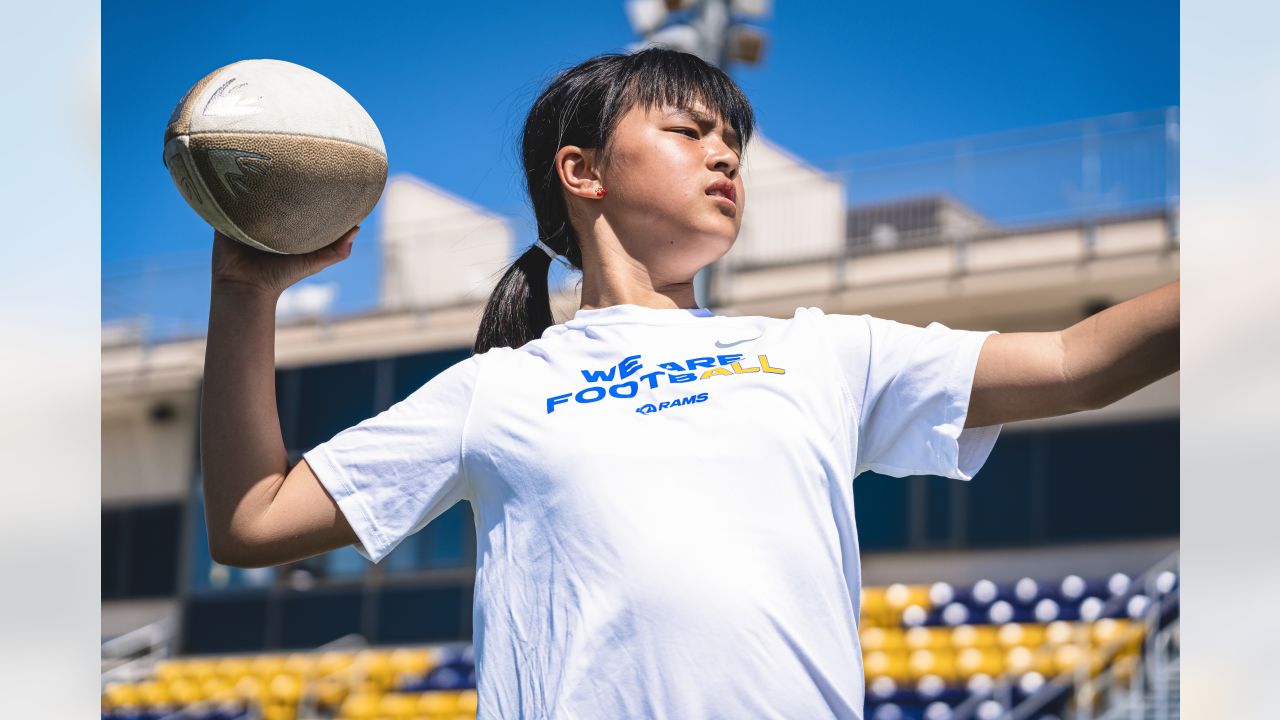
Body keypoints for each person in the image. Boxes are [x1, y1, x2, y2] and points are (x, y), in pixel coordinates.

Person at [200, 48, 1179, 719]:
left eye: (733, 145)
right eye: (686, 130)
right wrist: (244, 294)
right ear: (581, 173)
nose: (723, 155)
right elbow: (251, 521)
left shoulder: (816, 353)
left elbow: (1075, 361)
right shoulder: (493, 391)